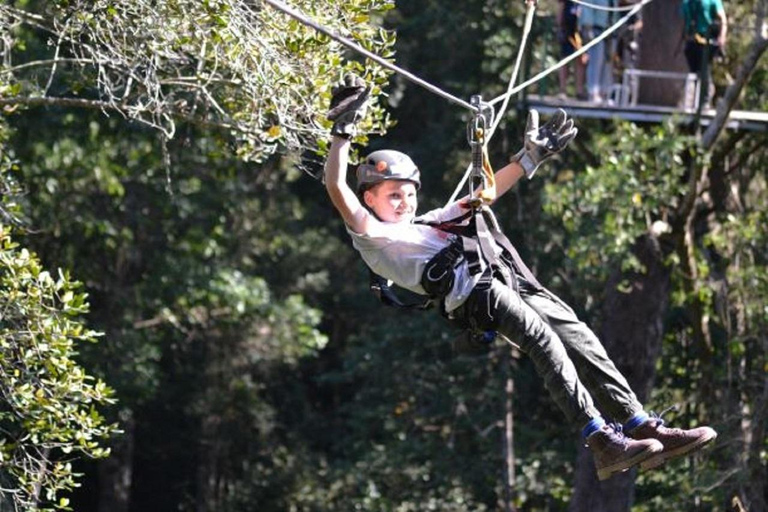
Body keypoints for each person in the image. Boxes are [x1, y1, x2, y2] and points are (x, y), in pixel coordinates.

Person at [324, 75, 717, 481]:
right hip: (478, 293)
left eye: (408, 194)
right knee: (542, 339)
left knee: (576, 335)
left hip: (506, 278)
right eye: (393, 196)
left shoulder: (428, 222)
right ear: (369, 199)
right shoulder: (372, 237)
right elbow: (336, 185)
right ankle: (601, 440)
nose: (404, 203)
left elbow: (483, 196)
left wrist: (529, 159)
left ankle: (639, 423)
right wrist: (343, 132)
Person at [680, 0, 728, 107]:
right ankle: (697, 99)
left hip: (706, 39)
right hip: (692, 40)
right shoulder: (687, 2)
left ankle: (705, 100)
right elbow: (684, 20)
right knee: (695, 71)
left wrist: (722, 37)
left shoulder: (712, 1)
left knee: (704, 68)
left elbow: (723, 20)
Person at [579, 0, 613, 103]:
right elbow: (586, 8)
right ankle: (593, 92)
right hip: (595, 30)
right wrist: (587, 28)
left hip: (610, 31)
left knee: (607, 62)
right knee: (595, 61)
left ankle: (604, 93)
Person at [557, 0, 587, 101]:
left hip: (580, 31)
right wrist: (560, 27)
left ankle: (579, 91)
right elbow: (561, 8)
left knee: (581, 61)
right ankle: (562, 90)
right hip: (567, 31)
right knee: (565, 60)